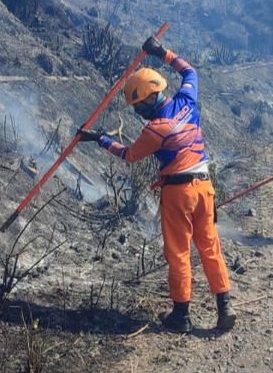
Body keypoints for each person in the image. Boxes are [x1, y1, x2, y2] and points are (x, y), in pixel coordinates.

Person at [78, 36, 235, 334]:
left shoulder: (156, 128)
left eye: (138, 106)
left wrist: (100, 139)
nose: (139, 113)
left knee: (178, 253)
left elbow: (130, 155)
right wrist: (162, 52)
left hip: (179, 193)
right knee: (210, 248)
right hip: (205, 187)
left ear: (150, 97)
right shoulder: (187, 101)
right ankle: (225, 306)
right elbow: (190, 72)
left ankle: (181, 316)